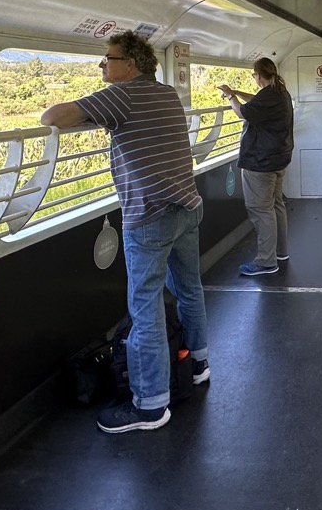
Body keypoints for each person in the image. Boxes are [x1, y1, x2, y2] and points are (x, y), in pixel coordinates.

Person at [40, 32, 208, 433]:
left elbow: (53, 117)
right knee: (189, 288)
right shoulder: (165, 93)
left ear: (130, 64)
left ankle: (150, 405)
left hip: (150, 214)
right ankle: (197, 363)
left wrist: (94, 115)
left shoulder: (122, 96)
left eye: (108, 58)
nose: (102, 65)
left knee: (145, 306)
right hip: (188, 206)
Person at [218, 57, 294, 277]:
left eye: (253, 75)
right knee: (276, 205)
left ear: (258, 75)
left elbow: (243, 112)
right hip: (278, 160)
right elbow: (256, 101)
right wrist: (238, 91)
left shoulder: (270, 95)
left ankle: (266, 261)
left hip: (261, 163)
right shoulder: (279, 91)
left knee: (261, 210)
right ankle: (280, 252)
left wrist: (231, 97)